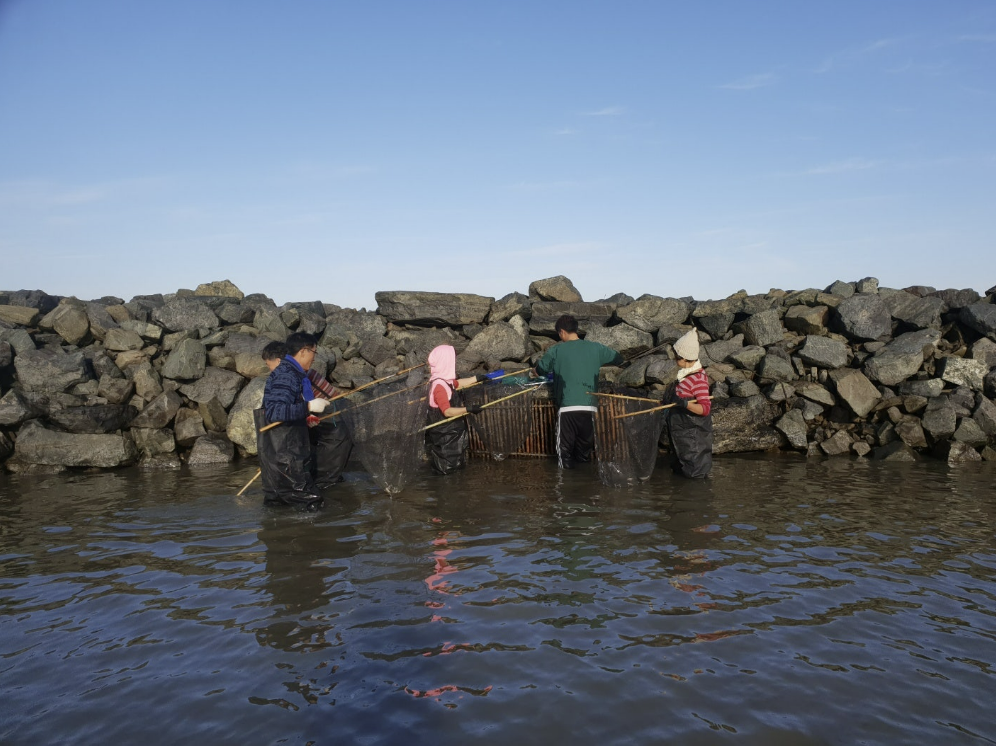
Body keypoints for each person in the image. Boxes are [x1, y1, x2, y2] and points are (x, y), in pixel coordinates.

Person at [259, 340, 353, 496]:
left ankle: (321, 481)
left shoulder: (296, 376)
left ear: (278, 361)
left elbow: (284, 410)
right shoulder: (293, 374)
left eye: (269, 366)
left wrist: (308, 411)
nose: (270, 371)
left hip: (327, 417)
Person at [254, 333, 334, 509]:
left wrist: (305, 418)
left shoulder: (294, 372)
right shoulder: (287, 375)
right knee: (311, 506)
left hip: (284, 459)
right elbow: (275, 412)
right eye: (314, 351)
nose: (314, 357)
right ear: (304, 351)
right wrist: (308, 407)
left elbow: (287, 409)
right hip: (285, 461)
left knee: (280, 508)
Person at [532, 314, 623, 468]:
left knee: (564, 455)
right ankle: (583, 487)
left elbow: (541, 369)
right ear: (575, 329)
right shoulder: (596, 348)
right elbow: (618, 358)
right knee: (583, 454)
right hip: (590, 408)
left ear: (561, 332)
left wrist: (535, 371)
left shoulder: (556, 350)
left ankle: (565, 487)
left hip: (568, 407)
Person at [425, 344, 487, 475]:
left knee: (457, 471)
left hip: (453, 437)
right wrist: (468, 409)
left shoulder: (445, 381)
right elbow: (447, 412)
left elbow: (459, 383)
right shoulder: (439, 387)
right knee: (448, 474)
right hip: (445, 441)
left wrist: (478, 378)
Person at [662, 328, 713, 478]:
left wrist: (685, 404)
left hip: (693, 438)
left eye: (677, 357)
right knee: (680, 472)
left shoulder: (698, 380)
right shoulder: (684, 375)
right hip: (680, 435)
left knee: (694, 476)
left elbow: (705, 409)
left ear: (685, 358)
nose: (675, 360)